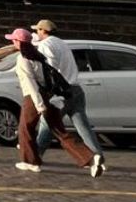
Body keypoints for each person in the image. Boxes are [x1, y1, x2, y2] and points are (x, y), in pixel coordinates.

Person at [8, 27, 95, 175]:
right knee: (59, 130)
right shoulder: (38, 56)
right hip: (48, 95)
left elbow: (30, 84)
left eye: (14, 40)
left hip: (33, 98)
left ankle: (30, 162)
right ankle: (89, 158)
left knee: (25, 129)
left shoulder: (22, 59)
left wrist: (39, 105)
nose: (13, 42)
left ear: (18, 42)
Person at [28, 19, 105, 175]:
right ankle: (97, 156)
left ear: (43, 31)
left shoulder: (45, 45)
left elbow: (50, 68)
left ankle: (34, 159)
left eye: (37, 30)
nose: (36, 33)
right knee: (83, 127)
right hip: (75, 88)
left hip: (61, 91)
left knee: (47, 124)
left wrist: (49, 89)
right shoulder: (63, 44)